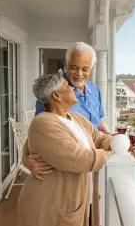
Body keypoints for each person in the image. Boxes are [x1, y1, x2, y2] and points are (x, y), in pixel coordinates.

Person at [13, 73, 111, 226]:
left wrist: (117, 143)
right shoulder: (43, 123)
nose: (72, 87)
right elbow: (80, 159)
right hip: (49, 205)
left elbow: (100, 137)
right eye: (66, 85)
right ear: (56, 95)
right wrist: (113, 153)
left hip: (75, 203)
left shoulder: (77, 118)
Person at [24, 42, 110, 180]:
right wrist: (25, 158)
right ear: (66, 64)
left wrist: (115, 140)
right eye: (74, 68)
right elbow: (39, 131)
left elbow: (98, 120)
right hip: (70, 165)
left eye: (85, 69)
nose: (79, 74)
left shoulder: (94, 89)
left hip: (96, 160)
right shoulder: (53, 92)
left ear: (92, 68)